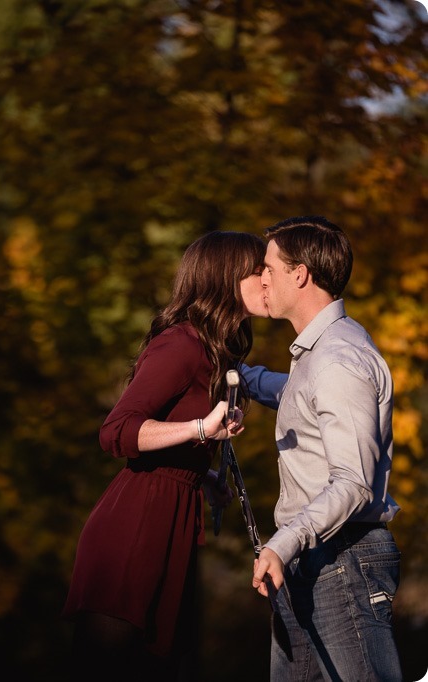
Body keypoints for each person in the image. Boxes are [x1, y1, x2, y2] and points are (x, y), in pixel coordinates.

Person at [62, 230, 269, 682]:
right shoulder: (181, 344)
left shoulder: (216, 352)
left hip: (175, 514)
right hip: (136, 522)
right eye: (260, 271)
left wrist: (205, 474)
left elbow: (174, 437)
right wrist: (200, 429)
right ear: (227, 277)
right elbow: (115, 431)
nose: (268, 280)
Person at [242, 216, 402, 681]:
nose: (261, 278)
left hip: (342, 559)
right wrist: (239, 374)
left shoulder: (337, 359)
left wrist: (282, 543)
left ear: (301, 274)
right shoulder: (319, 355)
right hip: (313, 560)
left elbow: (353, 482)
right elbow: (297, 394)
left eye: (269, 267)